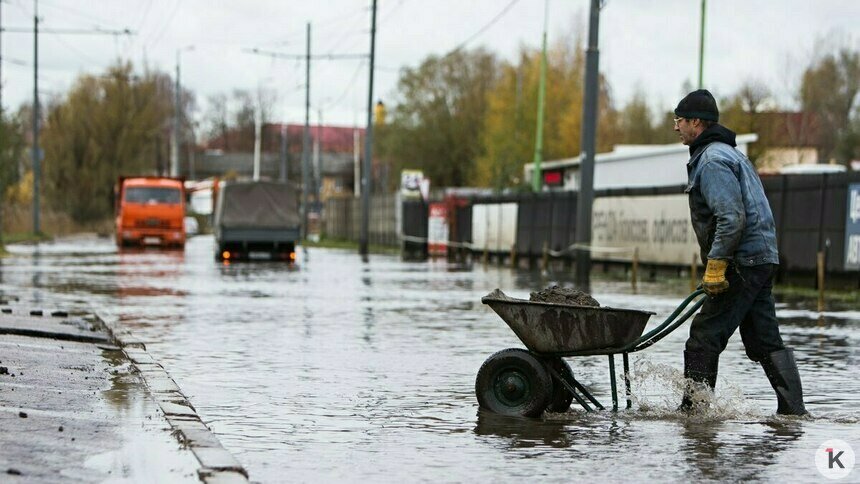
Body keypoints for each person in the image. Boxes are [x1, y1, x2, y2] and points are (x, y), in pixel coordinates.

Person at [673, 89, 807, 415]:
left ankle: (695, 415)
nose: (676, 127)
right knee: (764, 340)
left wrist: (717, 264)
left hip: (742, 260)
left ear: (696, 123)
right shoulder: (730, 154)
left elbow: (731, 217)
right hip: (761, 258)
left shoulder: (712, 161)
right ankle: (793, 413)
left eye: (679, 120)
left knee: (704, 336)